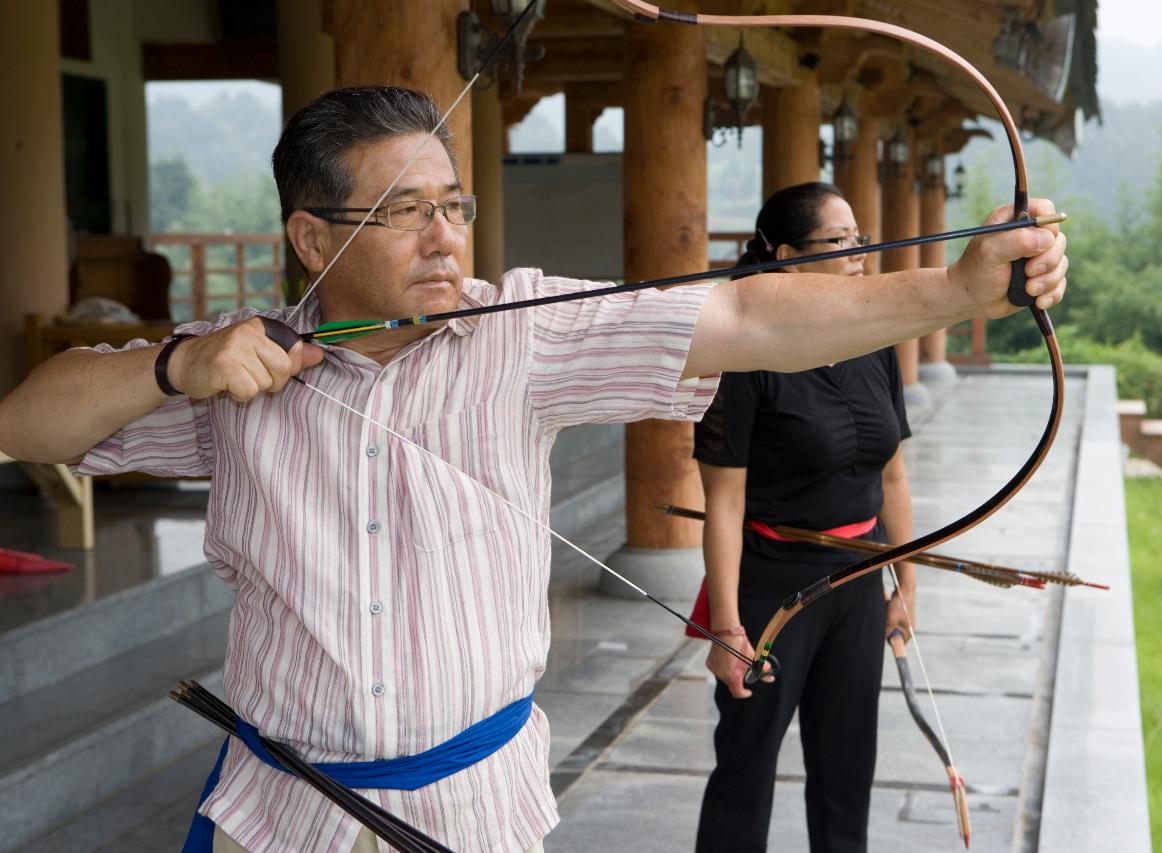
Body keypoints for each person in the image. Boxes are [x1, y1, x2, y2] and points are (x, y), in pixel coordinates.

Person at [0, 86, 1067, 853]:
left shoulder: (522, 334)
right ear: (309, 233)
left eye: (452, 205)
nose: (444, 236)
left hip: (472, 806)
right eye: (404, 211)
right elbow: (29, 426)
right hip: (283, 811)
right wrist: (179, 362)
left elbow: (741, 311)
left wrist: (954, 289)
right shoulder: (237, 371)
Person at [693, 182, 920, 852]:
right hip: (773, 585)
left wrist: (907, 585)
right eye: (840, 241)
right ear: (788, 257)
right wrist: (727, 626)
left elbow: (893, 475)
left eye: (860, 236)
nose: (860, 252)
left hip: (857, 577)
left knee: (847, 770)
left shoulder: (873, 340)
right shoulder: (743, 353)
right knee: (746, 764)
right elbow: (725, 502)